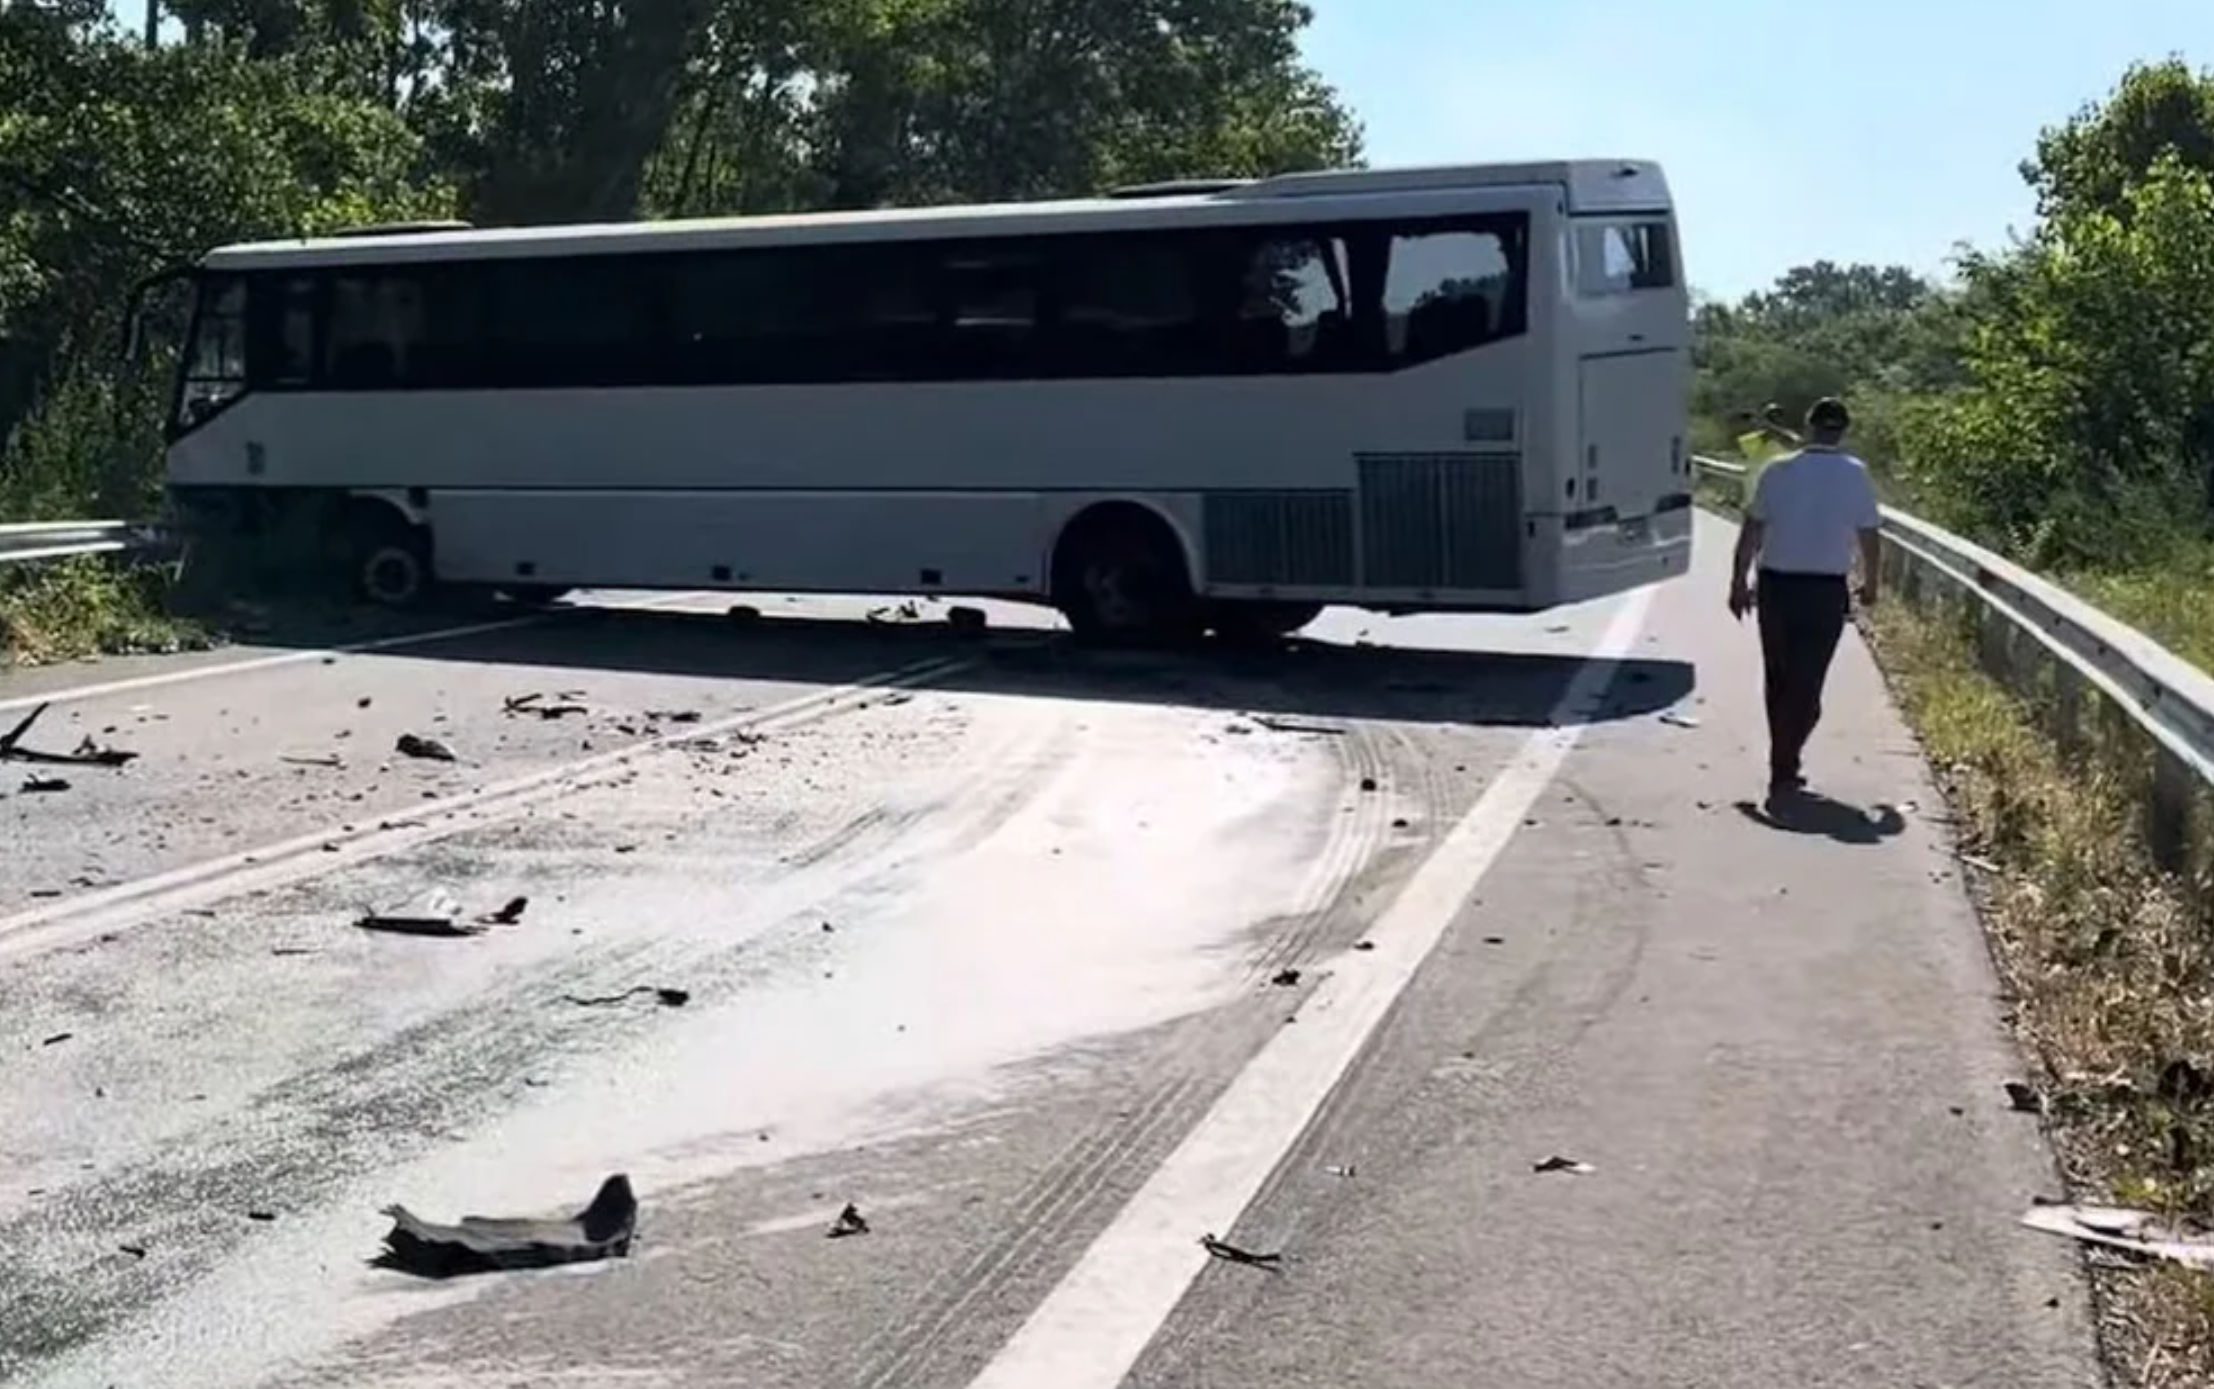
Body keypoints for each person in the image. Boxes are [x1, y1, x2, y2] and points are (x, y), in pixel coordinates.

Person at [1726, 397, 1883, 800]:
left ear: (1810, 425)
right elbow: (1869, 534)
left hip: (1778, 588)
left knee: (1781, 680)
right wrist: (1871, 583)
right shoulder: (1855, 474)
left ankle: (1783, 762)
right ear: (1843, 430)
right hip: (1823, 591)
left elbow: (1752, 528)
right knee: (1807, 684)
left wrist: (1738, 581)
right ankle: (1785, 765)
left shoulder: (1778, 470)